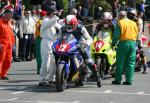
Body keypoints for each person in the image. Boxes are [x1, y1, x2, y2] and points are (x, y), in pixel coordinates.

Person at [58, 15, 101, 87]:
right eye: (67, 25)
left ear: (75, 23)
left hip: (80, 45)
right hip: (68, 46)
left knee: (88, 61)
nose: (69, 27)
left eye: (71, 25)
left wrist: (85, 44)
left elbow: (90, 38)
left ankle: (97, 76)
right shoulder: (62, 29)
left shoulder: (80, 27)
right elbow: (58, 38)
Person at [112, 11, 138, 85]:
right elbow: (137, 33)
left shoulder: (120, 23)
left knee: (120, 62)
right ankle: (129, 80)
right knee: (130, 62)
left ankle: (118, 79)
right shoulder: (133, 23)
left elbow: (116, 35)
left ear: (120, 16)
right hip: (133, 43)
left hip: (123, 43)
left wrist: (113, 43)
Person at [39, 7, 61, 86]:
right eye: (53, 13)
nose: (54, 14)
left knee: (53, 62)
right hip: (46, 42)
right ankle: (42, 80)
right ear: (50, 13)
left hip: (52, 42)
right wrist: (57, 16)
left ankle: (52, 78)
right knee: (46, 62)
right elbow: (51, 23)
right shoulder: (45, 20)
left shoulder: (52, 20)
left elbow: (59, 25)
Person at [0, 4, 14, 80]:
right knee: (0, 60)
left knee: (8, 60)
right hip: (2, 44)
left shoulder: (9, 23)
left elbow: (11, 34)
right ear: (6, 14)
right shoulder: (0, 22)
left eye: (12, 14)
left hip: (9, 45)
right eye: (10, 13)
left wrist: (13, 43)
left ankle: (3, 74)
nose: (12, 15)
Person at [35, 10, 46, 74]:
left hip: (39, 39)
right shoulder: (43, 22)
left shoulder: (38, 21)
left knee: (39, 55)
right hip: (41, 38)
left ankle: (39, 69)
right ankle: (41, 69)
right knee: (41, 55)